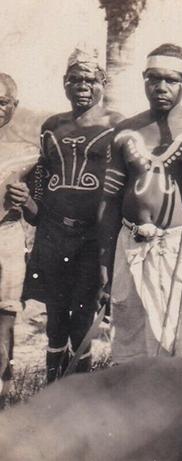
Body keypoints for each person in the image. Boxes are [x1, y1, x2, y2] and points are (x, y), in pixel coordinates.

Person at [97, 43, 182, 362]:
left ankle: (172, 410)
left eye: (171, 80)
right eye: (153, 78)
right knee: (128, 339)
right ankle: (135, 410)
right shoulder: (125, 129)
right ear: (143, 79)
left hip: (181, 247)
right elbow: (111, 200)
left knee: (178, 342)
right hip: (130, 246)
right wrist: (104, 261)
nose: (161, 87)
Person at [19, 48, 123, 382]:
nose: (82, 86)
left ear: (102, 83)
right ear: (64, 83)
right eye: (75, 79)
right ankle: (52, 387)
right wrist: (26, 204)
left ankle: (79, 391)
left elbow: (123, 186)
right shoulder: (52, 126)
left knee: (82, 317)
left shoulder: (117, 126)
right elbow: (39, 181)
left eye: (90, 79)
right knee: (55, 316)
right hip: (52, 233)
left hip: (93, 236)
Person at [0, 72, 40, 392]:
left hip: (8, 236)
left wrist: (25, 199)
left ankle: (5, 382)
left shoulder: (28, 152)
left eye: (3, 102)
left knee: (5, 313)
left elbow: (39, 214)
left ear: (15, 105)